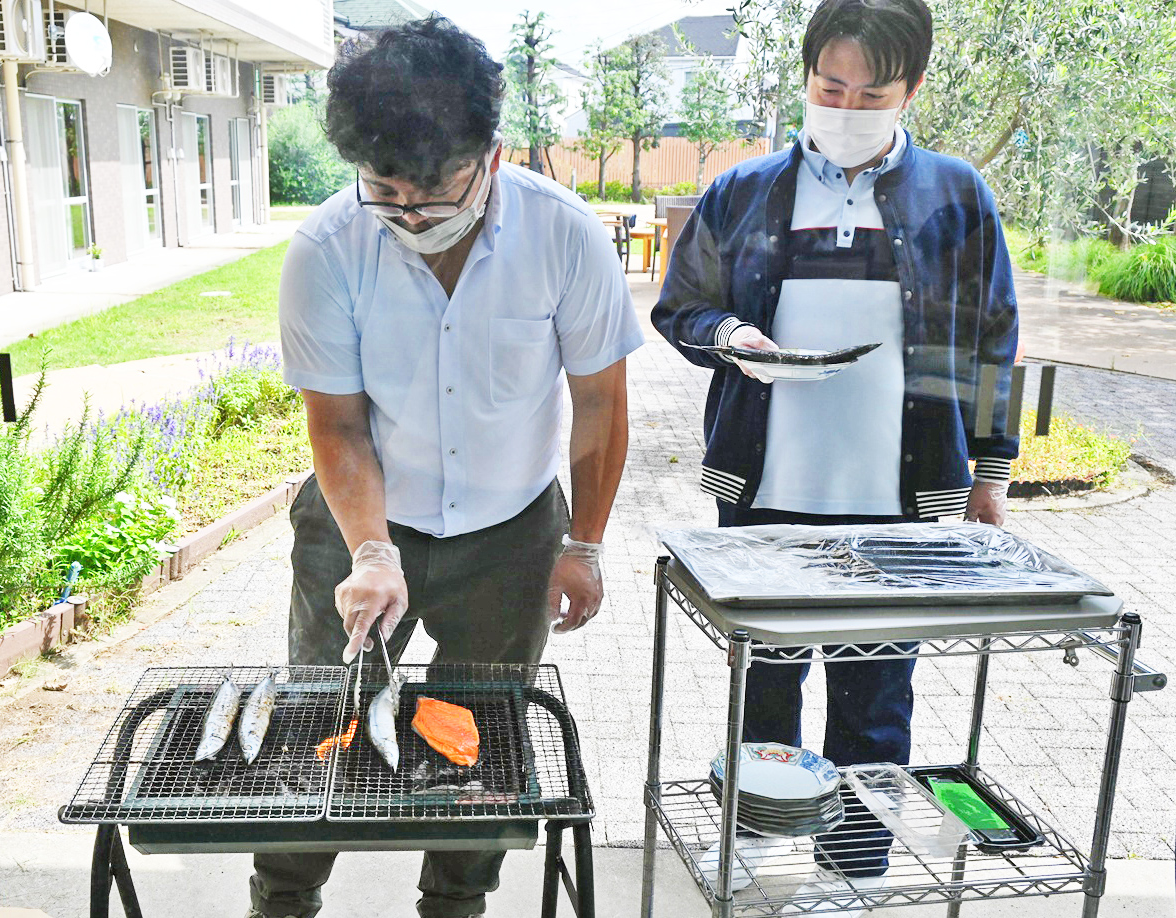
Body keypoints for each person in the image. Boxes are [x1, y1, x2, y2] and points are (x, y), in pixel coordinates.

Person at [251, 17, 643, 918]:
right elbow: (339, 427)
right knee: (321, 715)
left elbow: (599, 406)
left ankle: (455, 905)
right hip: (356, 525)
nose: (412, 215)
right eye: (386, 192)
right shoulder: (327, 247)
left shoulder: (565, 235)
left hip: (510, 531)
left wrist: (584, 541)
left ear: (491, 158)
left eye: (434, 192)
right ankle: (280, 899)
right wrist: (371, 553)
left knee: (486, 733)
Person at [652, 0, 1017, 910]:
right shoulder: (743, 191)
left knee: (875, 694)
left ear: (912, 89)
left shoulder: (956, 194)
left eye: (871, 91)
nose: (846, 105)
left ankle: (855, 874)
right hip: (766, 489)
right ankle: (757, 863)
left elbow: (991, 337)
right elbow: (679, 307)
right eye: (829, 86)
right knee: (764, 686)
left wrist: (990, 472)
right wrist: (732, 332)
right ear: (805, 77)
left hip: (898, 500)